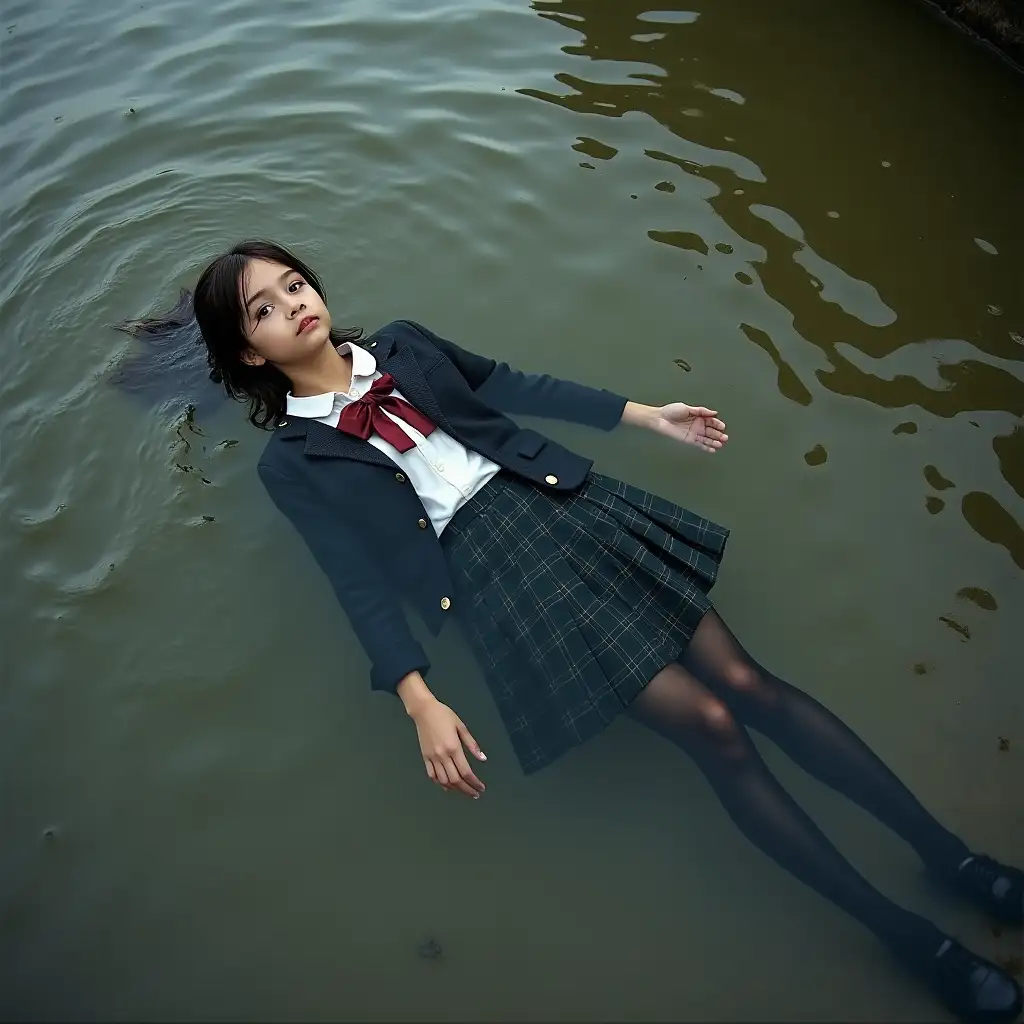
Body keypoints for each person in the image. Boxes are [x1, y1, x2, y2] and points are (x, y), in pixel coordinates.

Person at [121, 239, 1023, 1023]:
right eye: (266, 308)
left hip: (568, 511)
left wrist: (644, 414)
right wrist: (418, 698)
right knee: (714, 731)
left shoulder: (402, 342)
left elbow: (510, 385)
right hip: (493, 582)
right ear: (249, 348)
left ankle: (955, 859)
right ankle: (908, 939)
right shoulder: (294, 464)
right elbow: (355, 583)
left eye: (294, 283)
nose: (296, 304)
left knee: (748, 687)